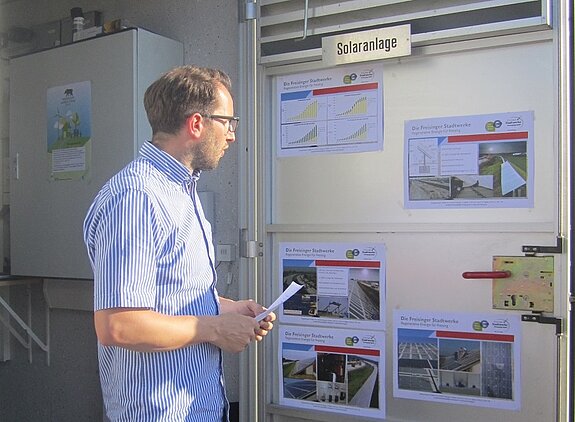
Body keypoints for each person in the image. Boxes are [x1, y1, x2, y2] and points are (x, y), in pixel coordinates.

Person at [83, 65, 275, 422]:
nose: (232, 135)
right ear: (197, 124)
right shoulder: (137, 197)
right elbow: (118, 324)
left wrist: (224, 308)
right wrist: (215, 328)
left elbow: (164, 293)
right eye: (228, 122)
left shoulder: (179, 190)